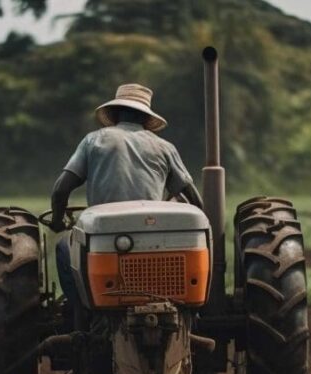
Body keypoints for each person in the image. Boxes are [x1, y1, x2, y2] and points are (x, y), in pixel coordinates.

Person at [49, 83, 203, 324]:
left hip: (105, 238)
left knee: (63, 249)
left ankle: (82, 316)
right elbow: (195, 200)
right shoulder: (164, 147)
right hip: (157, 242)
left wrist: (58, 221)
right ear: (146, 117)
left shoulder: (94, 141)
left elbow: (61, 190)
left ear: (115, 113)